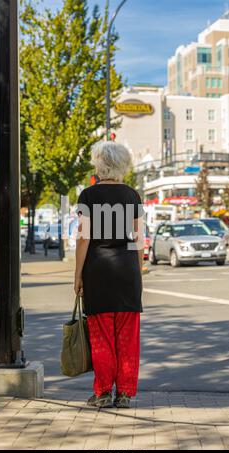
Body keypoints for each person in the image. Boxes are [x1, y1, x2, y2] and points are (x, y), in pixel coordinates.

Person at [75, 141, 144, 409]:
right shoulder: (132, 195)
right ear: (122, 165)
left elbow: (83, 239)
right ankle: (125, 393)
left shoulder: (88, 196)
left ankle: (102, 392)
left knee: (101, 335)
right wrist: (138, 273)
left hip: (98, 272)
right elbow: (139, 239)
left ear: (99, 164)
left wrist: (77, 276)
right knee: (128, 337)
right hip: (127, 272)